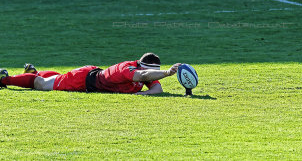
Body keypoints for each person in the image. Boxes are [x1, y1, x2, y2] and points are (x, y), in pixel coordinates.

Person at [0, 53, 180, 95]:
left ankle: (34, 71)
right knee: (41, 84)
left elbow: (157, 89)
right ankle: (4, 78)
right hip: (83, 80)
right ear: (143, 67)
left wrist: (141, 94)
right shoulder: (128, 69)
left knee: (55, 79)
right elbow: (142, 77)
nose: (152, 76)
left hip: (89, 76)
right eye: (151, 72)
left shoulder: (145, 73)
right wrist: (167, 72)